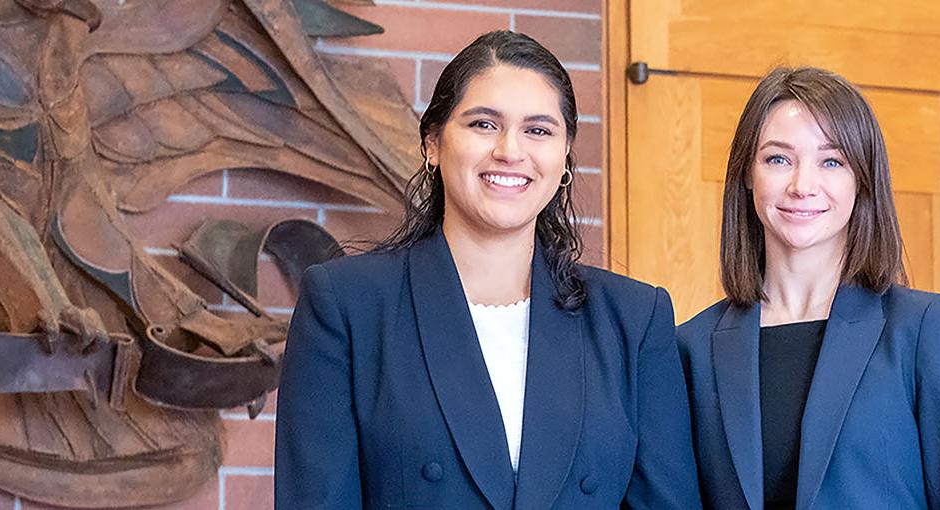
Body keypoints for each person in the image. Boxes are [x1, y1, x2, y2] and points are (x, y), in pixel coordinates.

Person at [275, 30, 701, 509]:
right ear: (432, 143)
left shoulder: (634, 318)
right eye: (483, 124)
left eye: (538, 130)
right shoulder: (346, 305)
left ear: (564, 158)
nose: (509, 151)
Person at [676, 67, 940, 509]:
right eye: (778, 159)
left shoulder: (921, 329)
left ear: (861, 179)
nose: (802, 185)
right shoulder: (691, 348)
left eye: (832, 161)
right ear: (748, 174)